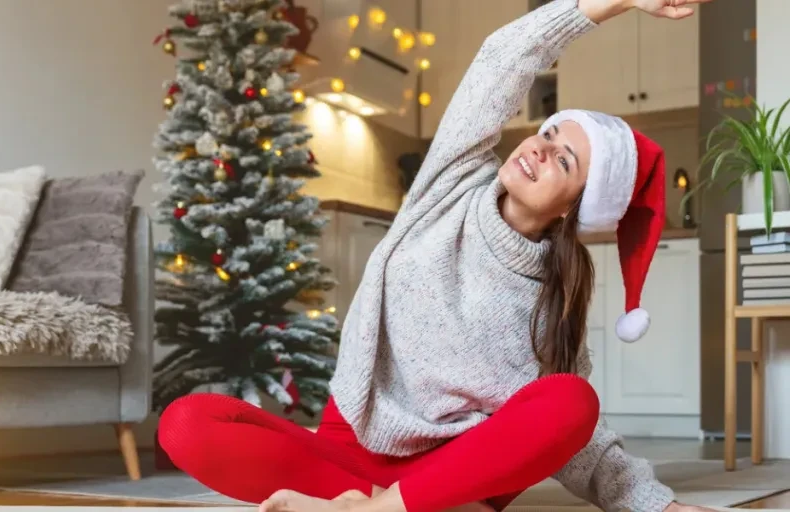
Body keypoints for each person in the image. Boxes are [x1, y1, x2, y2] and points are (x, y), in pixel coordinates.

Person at [157, 0, 717, 511]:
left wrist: (654, 506)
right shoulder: (451, 181)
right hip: (353, 447)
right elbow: (502, 59)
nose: (541, 149)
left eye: (565, 162)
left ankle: (383, 509)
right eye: (548, 134)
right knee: (186, 424)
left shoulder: (555, 295)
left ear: (576, 208)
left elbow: (579, 437)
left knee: (571, 401)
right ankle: (394, 507)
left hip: (460, 471)